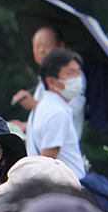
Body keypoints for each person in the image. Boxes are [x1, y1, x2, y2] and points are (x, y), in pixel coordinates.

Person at [11, 26, 85, 137]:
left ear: (60, 45)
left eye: (46, 46)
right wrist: (25, 126)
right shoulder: (43, 79)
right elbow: (46, 123)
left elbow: (68, 112)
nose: (41, 51)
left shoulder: (72, 75)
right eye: (37, 47)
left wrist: (34, 105)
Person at [24, 47, 87, 178]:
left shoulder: (44, 106)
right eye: (70, 73)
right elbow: (46, 163)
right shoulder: (57, 112)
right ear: (52, 81)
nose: (77, 78)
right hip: (66, 191)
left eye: (78, 72)